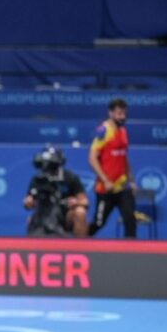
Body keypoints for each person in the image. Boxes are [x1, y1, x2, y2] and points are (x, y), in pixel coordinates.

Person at [88, 98, 136, 238]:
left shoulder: (123, 131)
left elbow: (123, 157)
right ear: (110, 113)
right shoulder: (104, 131)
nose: (122, 117)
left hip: (122, 187)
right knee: (98, 223)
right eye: (119, 113)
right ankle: (81, 244)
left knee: (130, 220)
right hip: (105, 188)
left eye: (124, 113)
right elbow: (92, 158)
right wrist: (105, 180)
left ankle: (132, 253)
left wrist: (131, 180)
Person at [24, 145, 89, 236]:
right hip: (44, 214)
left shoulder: (70, 177)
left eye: (51, 164)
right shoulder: (38, 179)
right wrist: (28, 202)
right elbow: (29, 202)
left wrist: (76, 202)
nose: (47, 167)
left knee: (80, 212)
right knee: (30, 220)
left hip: (66, 215)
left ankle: (81, 247)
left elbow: (85, 201)